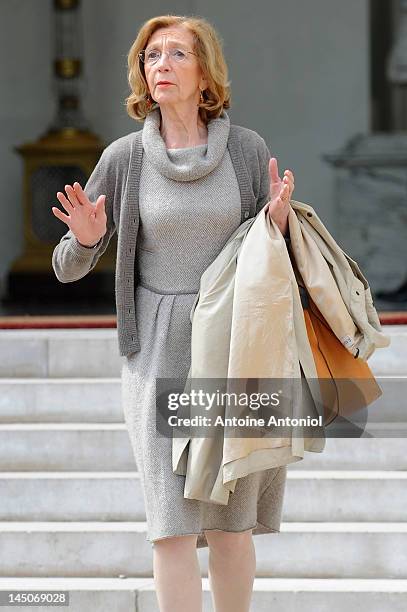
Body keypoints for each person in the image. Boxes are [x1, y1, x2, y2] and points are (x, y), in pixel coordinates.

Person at [51, 14, 295, 612]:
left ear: (205, 74)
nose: (160, 65)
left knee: (231, 525)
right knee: (172, 521)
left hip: (235, 350)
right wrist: (85, 239)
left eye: (176, 54)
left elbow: (277, 259)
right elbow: (67, 267)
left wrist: (281, 226)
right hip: (158, 351)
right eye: (151, 56)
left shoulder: (246, 150)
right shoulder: (125, 158)